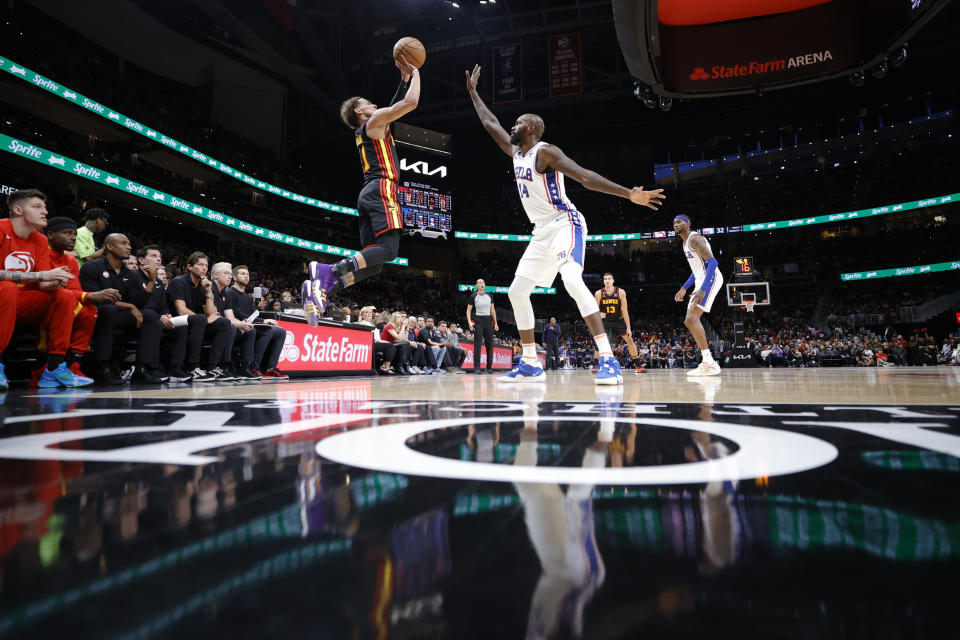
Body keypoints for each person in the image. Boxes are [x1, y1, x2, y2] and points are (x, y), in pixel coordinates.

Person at [464, 64, 664, 385]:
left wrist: (629, 194)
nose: (511, 126)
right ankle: (530, 361)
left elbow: (584, 176)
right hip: (541, 230)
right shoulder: (517, 153)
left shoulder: (546, 152)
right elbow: (490, 123)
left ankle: (608, 360)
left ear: (532, 128)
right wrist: (473, 93)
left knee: (571, 280)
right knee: (517, 292)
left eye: (517, 123)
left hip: (564, 223)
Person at [302, 53, 421, 324]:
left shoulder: (371, 127)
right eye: (369, 103)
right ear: (359, 111)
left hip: (368, 193)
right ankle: (328, 271)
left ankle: (325, 287)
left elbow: (391, 109)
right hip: (382, 189)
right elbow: (410, 103)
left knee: (375, 263)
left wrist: (402, 82)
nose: (375, 104)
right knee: (390, 250)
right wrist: (416, 73)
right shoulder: (374, 123)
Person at [0, 190, 91, 389]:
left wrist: (57, 280)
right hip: (4, 295)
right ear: (17, 210)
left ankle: (54, 367)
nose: (45, 212)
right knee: (7, 288)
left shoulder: (40, 240)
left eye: (44, 207)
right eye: (37, 207)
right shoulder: (1, 228)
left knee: (65, 296)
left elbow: (43, 284)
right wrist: (41, 276)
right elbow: (39, 277)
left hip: (21, 301)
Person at [43, 216, 118, 384]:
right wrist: (89, 295)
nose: (73, 238)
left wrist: (87, 297)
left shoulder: (71, 260)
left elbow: (74, 290)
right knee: (68, 298)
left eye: (75, 234)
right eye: (68, 233)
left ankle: (73, 364)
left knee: (90, 310)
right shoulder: (42, 253)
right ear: (50, 235)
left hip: (63, 300)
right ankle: (49, 367)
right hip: (44, 300)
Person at [79, 233, 160, 384]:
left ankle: (142, 368)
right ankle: (103, 366)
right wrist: (129, 306)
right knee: (108, 310)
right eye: (123, 243)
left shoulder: (130, 274)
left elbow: (139, 303)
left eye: (129, 244)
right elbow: (93, 298)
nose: (129, 247)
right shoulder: (91, 267)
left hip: (118, 316)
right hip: (95, 314)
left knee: (149, 315)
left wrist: (152, 281)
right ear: (109, 246)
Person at [166, 252, 232, 382]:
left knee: (224, 323)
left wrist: (208, 292)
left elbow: (212, 312)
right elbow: (181, 310)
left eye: (206, 265)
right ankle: (193, 367)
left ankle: (211, 366)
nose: (204, 268)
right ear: (190, 267)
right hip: (174, 321)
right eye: (200, 264)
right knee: (201, 319)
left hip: (196, 323)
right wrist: (204, 319)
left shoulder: (203, 286)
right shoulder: (178, 282)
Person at [673, 214, 723, 377]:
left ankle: (709, 363)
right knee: (689, 320)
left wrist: (703, 288)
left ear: (688, 223)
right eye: (674, 223)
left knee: (693, 317)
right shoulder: (685, 243)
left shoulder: (695, 239)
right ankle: (708, 361)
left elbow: (713, 263)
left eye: (679, 221)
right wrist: (684, 288)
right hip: (701, 278)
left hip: (711, 277)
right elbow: (696, 271)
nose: (676, 224)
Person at [120, 245, 178, 383]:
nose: (158, 259)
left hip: (154, 319)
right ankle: (144, 368)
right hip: (134, 318)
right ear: (141, 260)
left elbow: (163, 307)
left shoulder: (158, 282)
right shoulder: (131, 276)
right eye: (153, 256)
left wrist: (167, 316)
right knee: (151, 316)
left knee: (180, 325)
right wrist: (159, 316)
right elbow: (136, 304)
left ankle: (176, 369)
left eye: (159, 257)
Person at [229, 265, 288, 379]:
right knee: (267, 329)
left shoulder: (246, 297)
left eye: (247, 274)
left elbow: (251, 315)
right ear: (235, 277)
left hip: (250, 324)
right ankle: (253, 366)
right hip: (238, 325)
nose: (246, 276)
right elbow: (237, 314)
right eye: (242, 274)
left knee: (281, 332)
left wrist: (259, 312)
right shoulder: (230, 292)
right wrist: (263, 321)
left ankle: (271, 368)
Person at [211, 262, 261, 379]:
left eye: (230, 273)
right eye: (226, 273)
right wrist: (240, 323)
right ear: (215, 275)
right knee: (230, 326)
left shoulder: (225, 293)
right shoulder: (215, 290)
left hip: (225, 324)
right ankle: (225, 365)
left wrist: (243, 324)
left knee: (249, 329)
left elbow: (231, 317)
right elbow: (216, 316)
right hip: (211, 325)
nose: (229, 276)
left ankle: (246, 367)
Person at [594, 273, 644, 375]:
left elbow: (625, 311)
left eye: (609, 279)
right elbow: (594, 310)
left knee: (630, 340)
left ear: (613, 280)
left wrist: (629, 328)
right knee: (600, 342)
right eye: (605, 279)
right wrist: (599, 313)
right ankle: (596, 365)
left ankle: (638, 365)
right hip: (605, 321)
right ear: (603, 281)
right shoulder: (599, 293)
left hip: (619, 320)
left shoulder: (621, 292)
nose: (607, 281)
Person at [466, 278, 498, 374]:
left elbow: (492, 310)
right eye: (479, 283)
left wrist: (496, 323)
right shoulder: (473, 296)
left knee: (490, 345)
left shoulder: (490, 296)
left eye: (483, 282)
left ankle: (489, 367)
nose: (482, 284)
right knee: (477, 345)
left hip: (488, 321)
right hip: (478, 320)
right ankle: (477, 367)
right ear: (476, 285)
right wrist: (469, 322)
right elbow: (468, 310)